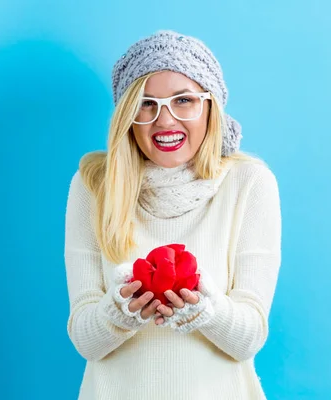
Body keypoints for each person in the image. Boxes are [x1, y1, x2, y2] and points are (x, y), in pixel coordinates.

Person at [63, 30, 282, 399]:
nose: (164, 120)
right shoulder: (93, 186)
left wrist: (206, 310)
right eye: (146, 103)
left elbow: (250, 338)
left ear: (210, 107)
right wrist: (119, 310)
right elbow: (85, 340)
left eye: (183, 100)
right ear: (128, 116)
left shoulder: (249, 183)